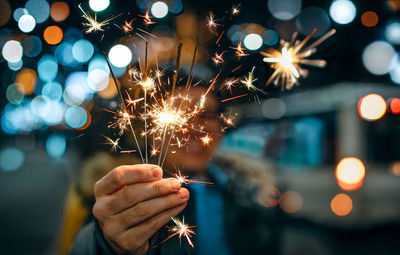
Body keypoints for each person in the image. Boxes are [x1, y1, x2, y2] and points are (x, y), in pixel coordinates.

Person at [71, 86, 280, 255]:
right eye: (181, 114)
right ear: (152, 130)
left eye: (206, 114)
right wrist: (107, 243)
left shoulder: (250, 193)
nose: (195, 127)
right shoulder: (125, 194)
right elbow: (83, 244)